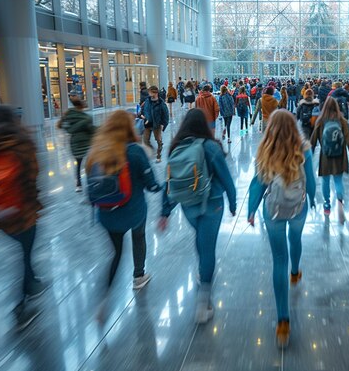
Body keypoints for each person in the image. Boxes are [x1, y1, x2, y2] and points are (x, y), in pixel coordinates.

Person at [160, 109, 237, 324]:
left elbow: (169, 182)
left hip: (188, 205)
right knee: (208, 248)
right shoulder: (210, 147)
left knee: (200, 239)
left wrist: (165, 212)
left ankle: (201, 270)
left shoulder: (175, 147)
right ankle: (204, 302)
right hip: (211, 205)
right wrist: (232, 202)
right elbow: (225, 176)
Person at [247, 110, 316, 348]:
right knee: (295, 239)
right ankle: (296, 272)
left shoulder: (265, 149)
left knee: (278, 260)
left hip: (273, 211)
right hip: (298, 207)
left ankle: (283, 322)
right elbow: (312, 182)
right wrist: (312, 201)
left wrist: (251, 209)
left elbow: (258, 182)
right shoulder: (304, 148)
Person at [0, 106, 45, 329]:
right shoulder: (22, 143)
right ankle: (20, 307)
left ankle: (32, 283)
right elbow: (33, 175)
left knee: (23, 251)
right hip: (22, 211)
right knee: (24, 255)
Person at [86, 111, 162, 318]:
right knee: (139, 237)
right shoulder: (134, 152)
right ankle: (139, 275)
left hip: (107, 214)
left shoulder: (96, 152)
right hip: (133, 210)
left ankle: (104, 298)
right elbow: (152, 185)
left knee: (116, 253)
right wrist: (162, 186)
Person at [310, 97, 349, 223]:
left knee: (325, 180)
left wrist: (311, 151)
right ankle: (340, 201)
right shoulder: (342, 121)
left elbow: (312, 141)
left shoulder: (321, 120)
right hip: (340, 156)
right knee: (338, 180)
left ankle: (326, 205)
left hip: (325, 156)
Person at [57, 95, 96, 192]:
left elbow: (64, 127)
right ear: (82, 106)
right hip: (86, 143)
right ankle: (90, 182)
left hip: (74, 144)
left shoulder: (68, 115)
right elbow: (91, 130)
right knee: (89, 164)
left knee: (78, 164)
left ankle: (78, 184)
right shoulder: (86, 117)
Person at [140, 86, 169, 163]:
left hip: (157, 125)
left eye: (150, 92)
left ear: (155, 93)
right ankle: (153, 151)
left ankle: (158, 155)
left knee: (158, 140)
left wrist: (163, 124)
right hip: (147, 124)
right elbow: (142, 110)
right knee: (145, 140)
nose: (148, 93)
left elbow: (165, 115)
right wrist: (142, 115)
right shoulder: (147, 101)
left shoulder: (161, 103)